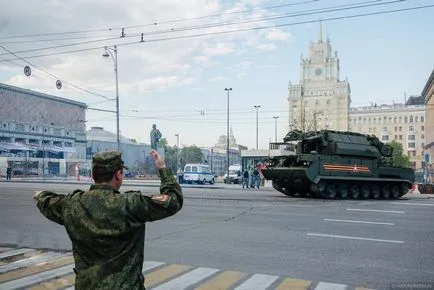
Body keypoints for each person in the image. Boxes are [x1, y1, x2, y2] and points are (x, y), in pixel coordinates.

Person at [33, 149, 183, 290]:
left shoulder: (72, 204)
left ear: (93, 175)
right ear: (118, 174)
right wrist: (162, 169)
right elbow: (173, 201)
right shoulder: (130, 204)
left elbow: (48, 200)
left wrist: (40, 195)